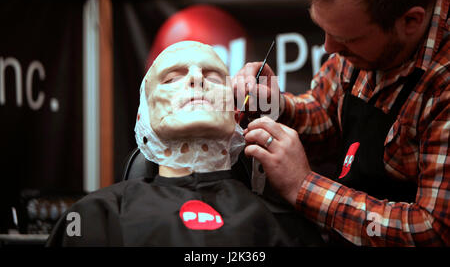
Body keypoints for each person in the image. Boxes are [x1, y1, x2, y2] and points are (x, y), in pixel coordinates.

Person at [234, 0, 449, 246]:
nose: (329, 48)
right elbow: (326, 113)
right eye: (324, 30)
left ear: (410, 22)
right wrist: (277, 105)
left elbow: (433, 230)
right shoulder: (366, 15)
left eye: (347, 40)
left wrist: (304, 187)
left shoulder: (443, 83)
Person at [46, 41, 323, 247]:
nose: (196, 79)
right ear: (144, 115)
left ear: (236, 111)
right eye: (172, 79)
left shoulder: (286, 228)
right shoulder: (96, 219)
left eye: (214, 77)